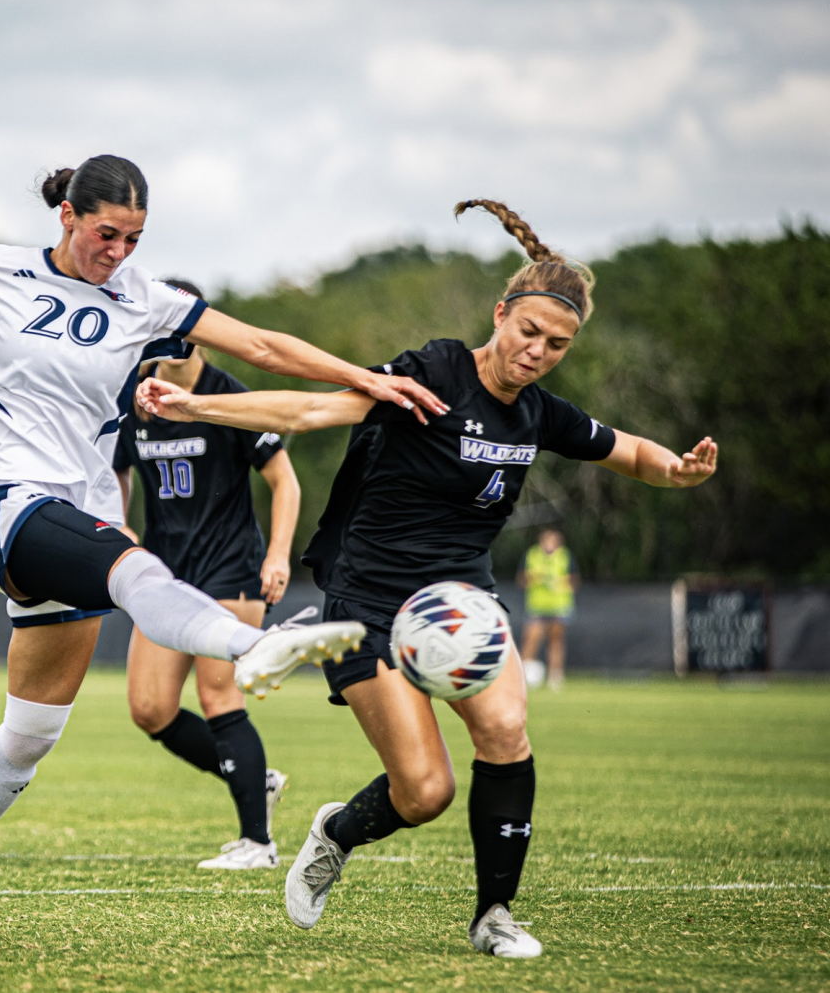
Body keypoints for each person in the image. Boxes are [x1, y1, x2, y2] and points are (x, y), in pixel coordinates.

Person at [0, 154, 447, 945]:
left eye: (135, 238)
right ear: (67, 215)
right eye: (108, 234)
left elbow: (265, 347)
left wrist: (368, 379)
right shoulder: (0, 270)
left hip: (79, 512)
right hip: (10, 502)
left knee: (30, 734)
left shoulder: (148, 300)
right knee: (135, 567)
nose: (119, 253)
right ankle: (262, 646)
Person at [137, 198, 718, 959]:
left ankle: (494, 914)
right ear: (502, 312)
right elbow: (313, 411)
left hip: (460, 604)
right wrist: (199, 405)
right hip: (367, 603)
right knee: (424, 792)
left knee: (507, 729)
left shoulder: (536, 415)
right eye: (529, 331)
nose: (538, 351)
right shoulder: (434, 373)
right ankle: (336, 831)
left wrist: (675, 469)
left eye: (558, 344)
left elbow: (626, 448)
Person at [114, 278, 300, 870]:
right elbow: (114, 471)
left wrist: (277, 555)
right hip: (163, 574)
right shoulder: (135, 399)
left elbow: (284, 481)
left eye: (182, 338)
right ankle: (254, 779)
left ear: (201, 338)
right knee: (150, 709)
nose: (169, 351)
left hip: (229, 569)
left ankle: (258, 844)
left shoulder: (231, 399)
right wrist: (120, 527)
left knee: (217, 695)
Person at [518, 527, 577, 690]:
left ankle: (555, 676)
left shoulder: (565, 556)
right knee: (530, 639)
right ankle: (521, 676)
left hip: (559, 605)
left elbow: (574, 580)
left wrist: (561, 583)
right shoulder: (533, 554)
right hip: (537, 606)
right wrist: (534, 578)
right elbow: (522, 579)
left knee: (556, 641)